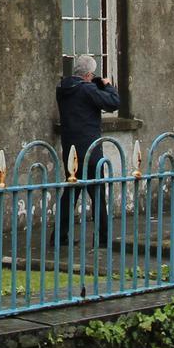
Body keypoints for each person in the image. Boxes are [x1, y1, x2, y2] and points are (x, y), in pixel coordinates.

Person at [56, 54, 121, 247]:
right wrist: (107, 85)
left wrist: (95, 85)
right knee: (97, 193)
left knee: (70, 192)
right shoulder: (87, 90)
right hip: (90, 148)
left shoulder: (62, 89)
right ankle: (102, 238)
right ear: (88, 74)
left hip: (70, 148)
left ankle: (60, 236)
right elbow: (113, 103)